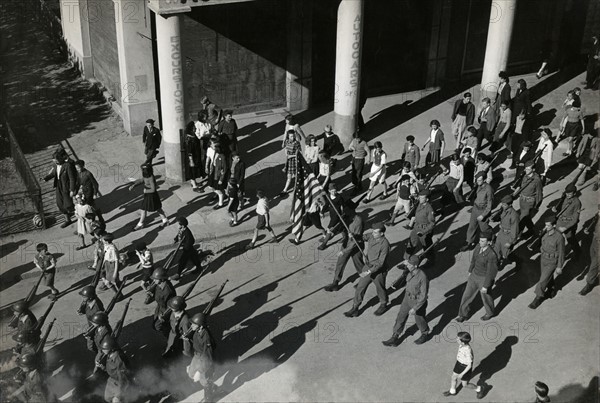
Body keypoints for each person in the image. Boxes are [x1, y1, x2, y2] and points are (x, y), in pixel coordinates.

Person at [382, 255, 430, 347]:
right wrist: (405, 263)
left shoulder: (422, 277)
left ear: (415, 266)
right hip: (407, 298)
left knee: (419, 319)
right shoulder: (409, 270)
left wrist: (415, 308)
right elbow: (401, 267)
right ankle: (395, 336)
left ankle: (425, 333)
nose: (408, 265)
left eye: (410, 264)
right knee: (401, 316)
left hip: (417, 301)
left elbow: (423, 296)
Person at [344, 222, 390, 317]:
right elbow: (362, 237)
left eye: (376, 232)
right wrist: (353, 236)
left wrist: (369, 271)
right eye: (373, 231)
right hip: (368, 266)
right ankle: (355, 307)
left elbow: (381, 263)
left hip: (379, 271)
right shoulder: (372, 236)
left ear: (381, 234)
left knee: (380, 288)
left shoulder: (385, 244)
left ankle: (383, 303)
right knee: (360, 287)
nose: (373, 233)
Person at [456, 230, 498, 322]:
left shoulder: (492, 255)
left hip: (483, 278)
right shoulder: (478, 247)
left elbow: (491, 272)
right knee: (466, 295)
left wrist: (486, 286)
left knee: (486, 297)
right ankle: (463, 314)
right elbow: (473, 260)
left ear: (489, 242)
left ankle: (490, 313)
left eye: (483, 241)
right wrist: (470, 270)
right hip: (474, 275)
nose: (480, 242)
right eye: (480, 240)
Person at [324, 202, 364, 292]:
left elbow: (354, 241)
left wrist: (344, 251)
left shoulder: (358, 221)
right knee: (340, 263)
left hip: (356, 246)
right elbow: (341, 228)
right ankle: (335, 283)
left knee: (359, 265)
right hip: (346, 243)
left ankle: (364, 281)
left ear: (352, 211)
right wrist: (333, 230)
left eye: (347, 211)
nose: (345, 213)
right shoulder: (346, 217)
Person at [529, 215, 565, 309]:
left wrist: (559, 266)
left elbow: (561, 252)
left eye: (548, 225)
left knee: (542, 281)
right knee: (546, 276)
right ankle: (551, 289)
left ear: (554, 225)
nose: (546, 227)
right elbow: (542, 243)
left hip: (552, 261)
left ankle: (537, 298)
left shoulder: (559, 237)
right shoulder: (545, 233)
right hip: (543, 258)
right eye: (545, 225)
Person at [185, 313, 217, 402]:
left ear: (201, 326)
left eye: (194, 324)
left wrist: (200, 370)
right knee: (191, 374)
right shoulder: (197, 331)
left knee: (204, 379)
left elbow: (208, 356)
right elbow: (197, 343)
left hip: (204, 359)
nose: (191, 325)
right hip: (197, 355)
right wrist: (189, 340)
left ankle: (208, 398)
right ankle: (213, 386)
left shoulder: (206, 337)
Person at [442, 332, 484, 399]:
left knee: (465, 384)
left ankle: (479, 388)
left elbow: (469, 365)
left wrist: (462, 374)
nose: (456, 339)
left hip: (465, 368)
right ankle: (452, 391)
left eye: (458, 339)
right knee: (453, 377)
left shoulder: (468, 351)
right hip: (459, 363)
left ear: (463, 343)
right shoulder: (462, 345)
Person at [42, 148, 77, 228]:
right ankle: (68, 220)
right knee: (60, 204)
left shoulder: (67, 166)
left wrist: (72, 189)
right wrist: (46, 178)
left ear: (60, 159)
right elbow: (54, 173)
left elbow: (72, 178)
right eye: (54, 161)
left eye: (56, 160)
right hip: (59, 185)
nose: (55, 162)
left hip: (66, 186)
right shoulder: (55, 165)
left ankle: (80, 212)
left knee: (68, 204)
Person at [129, 164, 169, 231]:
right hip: (148, 195)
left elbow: (153, 189)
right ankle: (165, 220)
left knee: (144, 209)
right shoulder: (147, 176)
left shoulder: (151, 178)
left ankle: (140, 224)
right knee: (157, 208)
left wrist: (146, 191)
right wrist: (134, 185)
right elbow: (142, 180)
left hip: (151, 196)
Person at [461, 172, 493, 251]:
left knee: (484, 229)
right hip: (475, 208)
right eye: (477, 180)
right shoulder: (477, 186)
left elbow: (490, 205)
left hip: (482, 211)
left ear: (484, 180)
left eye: (479, 180)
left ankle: (491, 238)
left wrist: (483, 215)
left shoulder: (489, 189)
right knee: (472, 226)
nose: (477, 182)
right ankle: (469, 243)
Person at [145, 268, 176, 335]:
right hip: (160, 308)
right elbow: (158, 296)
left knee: (159, 326)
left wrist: (164, 316)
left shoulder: (168, 291)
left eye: (155, 279)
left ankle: (171, 335)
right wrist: (151, 294)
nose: (154, 280)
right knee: (155, 325)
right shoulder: (158, 285)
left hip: (166, 311)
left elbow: (171, 306)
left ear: (161, 279)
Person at [406, 189, 436, 261]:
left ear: (427, 199)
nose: (420, 198)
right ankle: (407, 260)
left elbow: (432, 223)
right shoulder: (419, 204)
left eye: (422, 197)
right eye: (420, 197)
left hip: (424, 230)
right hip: (416, 227)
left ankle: (430, 260)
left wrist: (423, 232)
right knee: (411, 243)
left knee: (427, 247)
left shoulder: (429, 209)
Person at [516, 160, 543, 237]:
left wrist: (536, 206)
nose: (526, 170)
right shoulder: (525, 176)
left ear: (533, 169)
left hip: (529, 202)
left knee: (522, 218)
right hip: (522, 200)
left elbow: (539, 194)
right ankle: (532, 230)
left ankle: (517, 235)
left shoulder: (537, 180)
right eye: (525, 169)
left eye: (528, 169)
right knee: (526, 218)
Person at [553, 184, 581, 255]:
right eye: (567, 193)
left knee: (571, 240)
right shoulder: (564, 197)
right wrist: (555, 209)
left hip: (569, 224)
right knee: (555, 238)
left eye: (570, 194)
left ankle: (577, 253)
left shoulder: (577, 203)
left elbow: (575, 219)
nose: (567, 195)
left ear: (574, 193)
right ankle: (557, 253)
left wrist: (565, 228)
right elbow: (561, 208)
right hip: (560, 221)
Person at [100, 337, 130, 403]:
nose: (102, 350)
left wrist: (120, 392)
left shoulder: (118, 358)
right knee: (107, 398)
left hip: (119, 383)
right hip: (112, 380)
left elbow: (123, 376)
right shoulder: (109, 355)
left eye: (104, 349)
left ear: (111, 349)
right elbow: (112, 369)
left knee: (117, 400)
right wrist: (103, 367)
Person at [74, 159, 104, 226]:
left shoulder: (88, 174)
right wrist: (75, 191)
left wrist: (95, 193)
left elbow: (95, 184)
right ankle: (99, 218)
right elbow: (78, 182)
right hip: (84, 191)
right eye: (76, 168)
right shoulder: (79, 173)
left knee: (88, 206)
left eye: (78, 168)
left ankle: (93, 222)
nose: (78, 169)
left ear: (83, 166)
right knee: (92, 205)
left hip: (89, 192)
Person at [172, 217, 202, 281]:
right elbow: (179, 235)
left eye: (178, 224)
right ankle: (199, 267)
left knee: (182, 261)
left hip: (187, 249)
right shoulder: (181, 229)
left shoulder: (187, 233)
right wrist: (176, 239)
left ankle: (178, 274)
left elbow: (192, 241)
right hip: (187, 249)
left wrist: (185, 247)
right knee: (194, 258)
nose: (177, 225)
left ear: (182, 225)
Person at [493, 195, 519, 268]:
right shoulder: (503, 210)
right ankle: (497, 263)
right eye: (502, 204)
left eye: (504, 205)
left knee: (506, 253)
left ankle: (518, 261)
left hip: (509, 235)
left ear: (510, 205)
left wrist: (511, 242)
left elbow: (515, 229)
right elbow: (502, 218)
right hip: (502, 232)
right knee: (496, 249)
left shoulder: (514, 215)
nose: (502, 206)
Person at [318, 184, 346, 250]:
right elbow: (327, 204)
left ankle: (324, 243)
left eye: (335, 191)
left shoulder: (339, 197)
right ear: (329, 191)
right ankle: (345, 237)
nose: (334, 193)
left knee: (329, 229)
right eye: (332, 191)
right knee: (340, 227)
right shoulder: (328, 196)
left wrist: (342, 213)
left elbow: (343, 205)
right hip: (332, 213)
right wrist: (322, 211)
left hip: (337, 215)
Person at [580, 207, 599, 295]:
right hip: (595, 241)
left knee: (595, 265)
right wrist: (588, 230)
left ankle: (589, 283)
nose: (599, 212)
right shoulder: (598, 216)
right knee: (591, 258)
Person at [280, 130, 302, 196]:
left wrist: (291, 156)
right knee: (289, 177)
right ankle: (285, 190)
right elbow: (286, 150)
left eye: (293, 136)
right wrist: (287, 155)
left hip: (295, 161)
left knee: (296, 176)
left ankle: (297, 188)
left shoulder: (296, 143)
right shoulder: (287, 141)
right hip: (289, 161)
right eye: (291, 136)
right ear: (288, 136)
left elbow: (299, 152)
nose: (292, 137)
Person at [184, 120, 203, 191]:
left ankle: (194, 182)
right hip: (192, 158)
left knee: (194, 170)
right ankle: (194, 186)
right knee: (192, 171)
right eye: (194, 127)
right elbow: (189, 152)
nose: (195, 128)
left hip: (195, 157)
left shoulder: (193, 136)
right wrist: (191, 161)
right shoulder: (189, 139)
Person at [210, 143, 228, 209]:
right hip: (214, 173)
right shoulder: (215, 154)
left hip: (218, 175)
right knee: (212, 186)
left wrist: (221, 179)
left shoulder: (222, 156)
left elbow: (224, 168)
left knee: (218, 189)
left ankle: (220, 203)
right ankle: (223, 195)